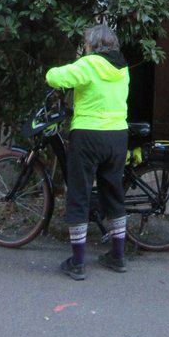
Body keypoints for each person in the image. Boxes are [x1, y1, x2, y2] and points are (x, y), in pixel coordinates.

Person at [45, 23, 129, 281]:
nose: (84, 47)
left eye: (86, 43)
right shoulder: (122, 68)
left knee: (79, 194)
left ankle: (77, 262)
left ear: (93, 44)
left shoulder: (89, 64)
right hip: (117, 136)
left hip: (88, 135)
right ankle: (118, 256)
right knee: (113, 192)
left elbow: (55, 78)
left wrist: (56, 69)